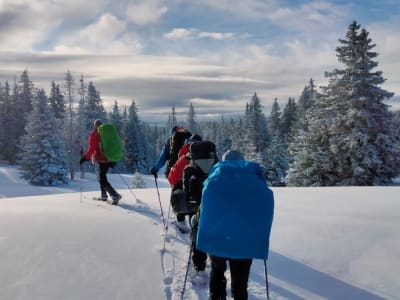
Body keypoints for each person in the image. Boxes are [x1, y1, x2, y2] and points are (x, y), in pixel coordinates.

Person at [196, 149, 274, 300]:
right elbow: (264, 207)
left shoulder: (213, 180)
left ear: (223, 162)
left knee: (217, 272)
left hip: (217, 238)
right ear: (242, 161)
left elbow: (205, 207)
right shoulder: (255, 181)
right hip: (244, 242)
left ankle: (216, 297)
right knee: (240, 283)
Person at [80, 119, 121, 204]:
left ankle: (114, 195)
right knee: (102, 176)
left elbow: (92, 148)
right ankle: (104, 195)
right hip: (108, 158)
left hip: (100, 159)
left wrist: (85, 157)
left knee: (101, 177)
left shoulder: (94, 134)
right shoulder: (106, 133)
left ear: (95, 125)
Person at [168, 134, 202, 233]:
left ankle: (182, 225)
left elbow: (172, 178)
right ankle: (195, 229)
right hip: (198, 196)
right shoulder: (206, 158)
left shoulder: (184, 157)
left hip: (182, 195)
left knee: (181, 206)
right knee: (195, 211)